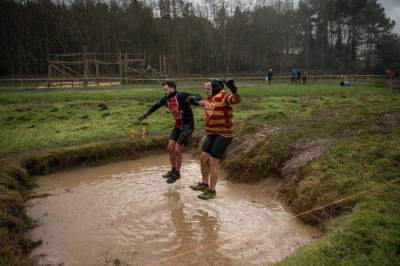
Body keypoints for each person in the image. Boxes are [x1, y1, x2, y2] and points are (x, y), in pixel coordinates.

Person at [188, 79, 241, 200]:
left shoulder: (224, 96)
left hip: (224, 134)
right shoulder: (210, 97)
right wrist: (195, 103)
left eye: (208, 89)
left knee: (213, 161)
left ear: (215, 88)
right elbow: (207, 104)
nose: (206, 91)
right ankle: (204, 184)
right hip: (211, 133)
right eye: (205, 88)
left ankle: (211, 191)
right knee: (203, 158)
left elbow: (236, 100)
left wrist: (234, 90)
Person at [138, 81, 200, 183]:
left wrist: (193, 98)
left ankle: (178, 173)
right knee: (170, 147)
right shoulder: (166, 99)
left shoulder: (182, 95)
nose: (165, 92)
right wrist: (146, 114)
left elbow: (198, 96)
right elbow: (156, 106)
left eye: (166, 89)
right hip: (178, 126)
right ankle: (173, 170)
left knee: (177, 149)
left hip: (188, 126)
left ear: (172, 88)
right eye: (164, 90)